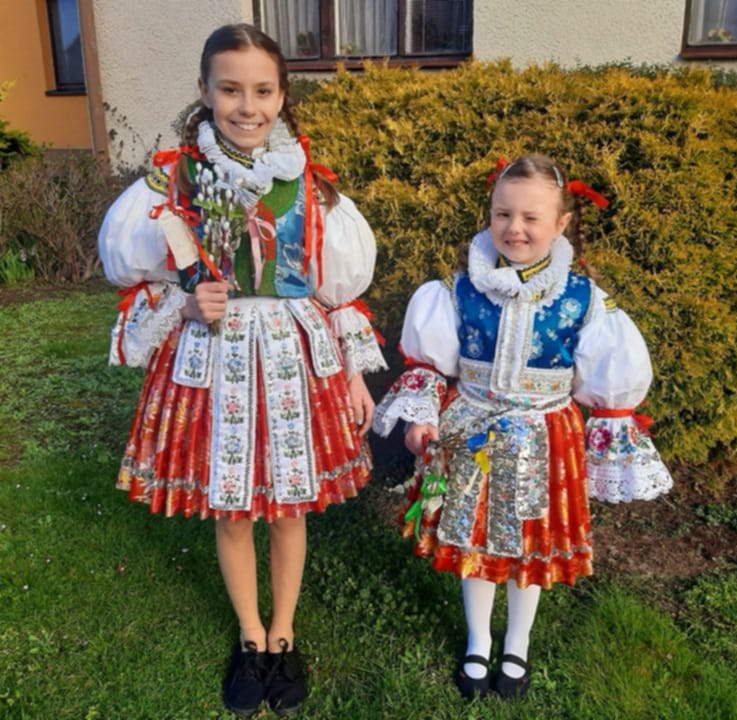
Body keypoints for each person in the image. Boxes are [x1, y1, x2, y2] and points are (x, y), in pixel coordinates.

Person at [99, 24, 386, 718]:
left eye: (262, 91)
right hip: (213, 357)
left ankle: (284, 633)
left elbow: (337, 291)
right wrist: (185, 302)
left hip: (294, 359)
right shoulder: (172, 182)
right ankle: (250, 636)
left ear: (283, 96)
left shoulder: (311, 186)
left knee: (287, 510)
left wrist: (353, 372)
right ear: (205, 91)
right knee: (232, 509)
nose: (247, 106)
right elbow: (136, 271)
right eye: (230, 90)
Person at [373, 154, 672, 700]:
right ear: (489, 215)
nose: (515, 228)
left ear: (561, 223)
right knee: (473, 537)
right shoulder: (457, 290)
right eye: (503, 214)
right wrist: (421, 418)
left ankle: (517, 642)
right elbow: (432, 364)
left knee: (529, 541)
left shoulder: (586, 301)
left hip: (544, 437)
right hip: (470, 433)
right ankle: (477, 641)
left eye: (531, 217)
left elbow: (607, 380)